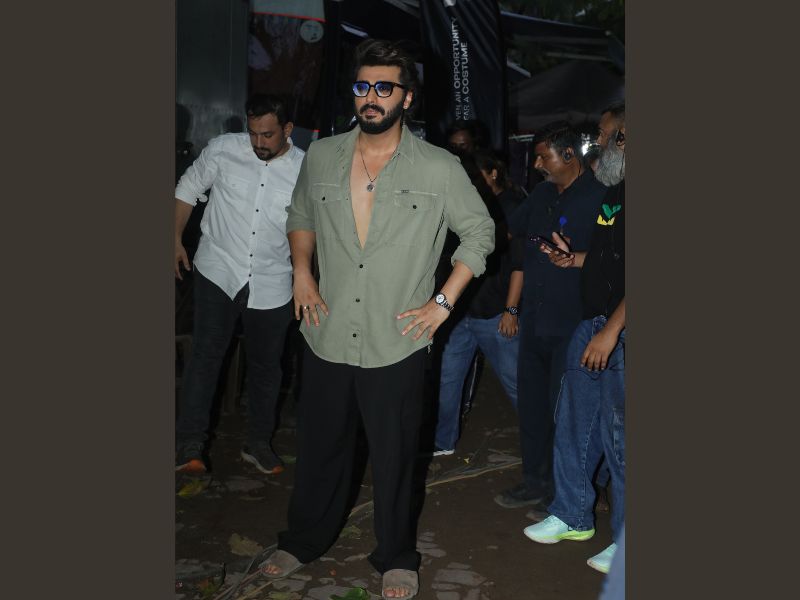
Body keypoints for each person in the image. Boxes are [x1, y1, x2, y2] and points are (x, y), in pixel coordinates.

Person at [258, 39, 494, 600]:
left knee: (395, 458)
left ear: (406, 98)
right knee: (320, 448)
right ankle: (303, 540)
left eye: (384, 87)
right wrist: (302, 271)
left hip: (398, 338)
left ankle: (395, 556)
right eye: (363, 86)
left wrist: (442, 304)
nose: (371, 97)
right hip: (327, 329)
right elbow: (300, 215)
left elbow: (480, 233)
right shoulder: (322, 155)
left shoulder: (438, 166)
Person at [174, 94, 304, 475]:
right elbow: (187, 188)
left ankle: (258, 444)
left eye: (267, 135)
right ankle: (189, 445)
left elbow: (310, 227)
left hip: (273, 280)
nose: (258, 142)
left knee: (267, 368)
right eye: (253, 133)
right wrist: (174, 238)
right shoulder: (224, 149)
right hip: (219, 270)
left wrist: (305, 275)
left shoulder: (305, 169)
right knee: (205, 357)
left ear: (287, 130)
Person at [523, 103, 626, 575]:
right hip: (595, 322)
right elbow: (608, 260)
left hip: (617, 329)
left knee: (621, 440)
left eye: (604, 136)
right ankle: (572, 514)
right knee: (575, 424)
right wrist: (574, 260)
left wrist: (611, 330)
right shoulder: (616, 192)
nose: (596, 144)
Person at [495, 121, 607, 511]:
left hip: (574, 325)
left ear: (569, 155)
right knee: (533, 408)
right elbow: (510, 235)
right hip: (535, 320)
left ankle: (567, 493)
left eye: (544, 156)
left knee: (568, 415)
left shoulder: (602, 198)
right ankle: (535, 481)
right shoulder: (541, 194)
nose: (537, 164)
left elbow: (616, 258)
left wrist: (575, 258)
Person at [432, 150, 525, 455]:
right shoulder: (462, 204)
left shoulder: (510, 206)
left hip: (495, 313)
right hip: (460, 312)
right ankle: (442, 441)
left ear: (491, 174)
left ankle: (542, 441)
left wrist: (511, 309)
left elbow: (519, 264)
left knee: (516, 383)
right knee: (447, 380)